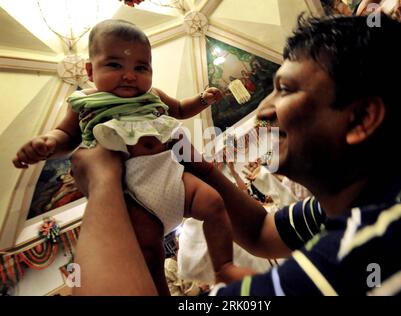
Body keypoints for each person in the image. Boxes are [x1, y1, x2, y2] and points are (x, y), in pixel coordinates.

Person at [70, 14, 401, 295]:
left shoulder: (369, 251)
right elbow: (261, 231)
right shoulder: (392, 196)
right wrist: (194, 161)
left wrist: (103, 184)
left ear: (361, 118)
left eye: (284, 89)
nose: (264, 110)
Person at [12, 19, 252, 295]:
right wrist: (48, 142)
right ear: (90, 70)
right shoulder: (86, 102)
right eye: (114, 65)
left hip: (170, 173)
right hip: (132, 192)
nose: (129, 75)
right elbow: (66, 137)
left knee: (214, 203)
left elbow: (181, 109)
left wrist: (202, 100)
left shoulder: (153, 95)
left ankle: (223, 266)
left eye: (141, 67)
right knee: (149, 252)